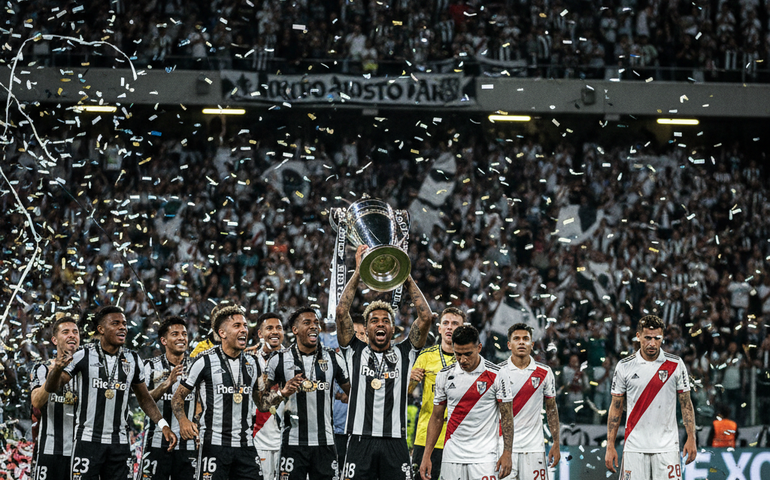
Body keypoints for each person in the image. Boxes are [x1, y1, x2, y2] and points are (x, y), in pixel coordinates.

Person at [335, 245, 434, 480]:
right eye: (374, 321)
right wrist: (358, 271)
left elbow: (426, 317)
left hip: (395, 442)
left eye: (385, 321)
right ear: (366, 329)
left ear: (392, 328)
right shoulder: (354, 350)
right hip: (360, 439)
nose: (380, 324)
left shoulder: (405, 351)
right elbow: (341, 312)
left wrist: (405, 275)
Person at [44, 305, 177, 480]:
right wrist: (56, 370)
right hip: (87, 440)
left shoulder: (133, 359)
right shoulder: (83, 354)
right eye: (115, 323)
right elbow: (53, 387)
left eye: (124, 323)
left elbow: (144, 398)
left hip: (119, 443)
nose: (123, 327)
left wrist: (163, 425)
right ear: (101, 329)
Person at [172, 303, 301, 480]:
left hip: (245, 446)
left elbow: (262, 404)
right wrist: (183, 420)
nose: (244, 330)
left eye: (245, 326)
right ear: (222, 333)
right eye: (237, 326)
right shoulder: (204, 361)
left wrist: (283, 393)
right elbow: (177, 397)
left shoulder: (252, 363)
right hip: (214, 445)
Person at [605, 315, 697, 480]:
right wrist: (610, 445)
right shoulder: (624, 366)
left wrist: (691, 438)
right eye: (648, 338)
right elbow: (616, 407)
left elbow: (686, 404)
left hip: (668, 448)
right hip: (634, 447)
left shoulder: (676, 364)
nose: (652, 343)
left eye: (657, 338)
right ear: (638, 336)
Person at [266, 306, 350, 479]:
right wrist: (282, 393)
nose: (314, 326)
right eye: (307, 323)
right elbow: (262, 402)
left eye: (316, 323)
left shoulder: (334, 358)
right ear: (295, 330)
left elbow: (355, 394)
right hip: (292, 444)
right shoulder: (278, 360)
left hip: (325, 444)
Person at [419, 325, 513, 480]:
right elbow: (436, 417)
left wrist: (507, 453)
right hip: (452, 455)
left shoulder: (497, 374)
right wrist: (426, 455)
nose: (462, 360)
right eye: (458, 354)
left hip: (485, 457)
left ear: (479, 347)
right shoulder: (444, 375)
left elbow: (507, 417)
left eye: (468, 354)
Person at [498, 323, 560, 480]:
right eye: (516, 338)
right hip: (503, 447)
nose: (521, 342)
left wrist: (556, 442)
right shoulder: (497, 372)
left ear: (532, 345)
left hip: (534, 448)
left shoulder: (545, 372)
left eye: (525, 339)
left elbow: (552, 409)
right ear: (509, 344)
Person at [409, 307, 465, 480]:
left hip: (459, 438)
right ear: (439, 329)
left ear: (462, 329)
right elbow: (406, 392)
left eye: (455, 324)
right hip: (426, 437)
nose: (449, 327)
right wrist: (409, 378)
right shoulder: (426, 356)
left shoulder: (470, 360)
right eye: (446, 323)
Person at [140, 316, 196, 480]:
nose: (181, 338)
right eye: (175, 334)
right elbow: (144, 401)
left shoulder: (196, 367)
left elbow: (201, 401)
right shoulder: (149, 366)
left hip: (188, 444)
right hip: (156, 442)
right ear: (164, 340)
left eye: (184, 334)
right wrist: (167, 383)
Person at [30, 315, 81, 480]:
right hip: (49, 449)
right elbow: (37, 401)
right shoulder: (42, 369)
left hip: (81, 451)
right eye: (65, 332)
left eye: (75, 332)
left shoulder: (88, 371)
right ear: (54, 340)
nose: (72, 335)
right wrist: (57, 371)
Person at [249, 312, 286, 480]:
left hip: (287, 438)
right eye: (269, 328)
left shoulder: (294, 359)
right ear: (260, 333)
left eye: (279, 328)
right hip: (257, 437)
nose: (275, 332)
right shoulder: (248, 359)